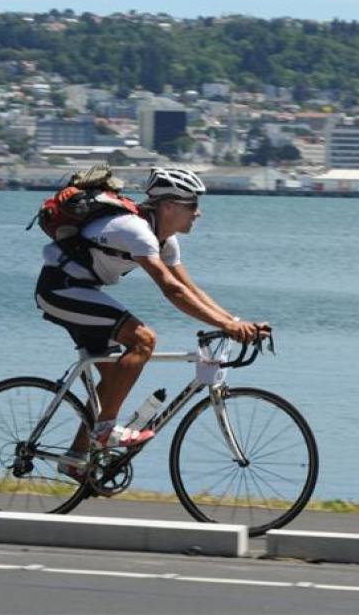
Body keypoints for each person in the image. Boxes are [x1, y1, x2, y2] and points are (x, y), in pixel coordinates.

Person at [35, 166, 268, 474]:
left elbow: (189, 288)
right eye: (193, 206)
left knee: (114, 380)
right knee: (144, 340)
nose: (198, 214)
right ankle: (105, 431)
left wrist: (236, 321)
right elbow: (171, 290)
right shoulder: (136, 230)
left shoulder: (165, 240)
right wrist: (227, 327)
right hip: (61, 290)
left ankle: (76, 459)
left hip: (82, 291)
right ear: (169, 206)